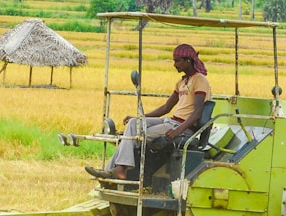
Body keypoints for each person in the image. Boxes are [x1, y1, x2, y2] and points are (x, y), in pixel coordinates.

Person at [86, 43, 211, 181]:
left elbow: (198, 112)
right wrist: (140, 116)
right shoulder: (181, 82)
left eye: (177, 61)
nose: (174, 64)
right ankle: (115, 171)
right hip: (170, 121)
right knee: (134, 124)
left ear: (188, 60)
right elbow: (166, 108)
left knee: (132, 136)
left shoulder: (200, 80)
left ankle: (115, 171)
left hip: (181, 127)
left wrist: (178, 131)